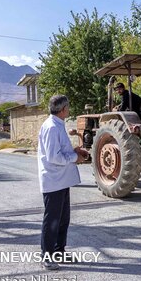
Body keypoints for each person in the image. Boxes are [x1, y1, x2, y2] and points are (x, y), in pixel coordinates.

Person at [37, 95, 88, 270]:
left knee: (62, 219)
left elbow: (60, 151)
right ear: (63, 109)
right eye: (68, 107)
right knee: (52, 219)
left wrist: (74, 151)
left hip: (60, 180)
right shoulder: (52, 127)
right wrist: (74, 157)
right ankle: (47, 256)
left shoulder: (57, 125)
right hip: (53, 180)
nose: (69, 109)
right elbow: (53, 157)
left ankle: (59, 251)